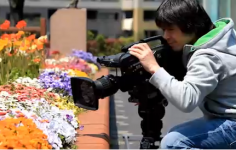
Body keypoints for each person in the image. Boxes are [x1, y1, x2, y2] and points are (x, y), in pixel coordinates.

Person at [128, 0, 236, 149]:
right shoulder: (222, 38)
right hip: (226, 119)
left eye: (171, 29)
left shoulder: (208, 56)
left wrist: (153, 67)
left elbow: (187, 100)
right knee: (177, 135)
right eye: (163, 30)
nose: (165, 36)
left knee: (174, 143)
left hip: (232, 122)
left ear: (190, 25)